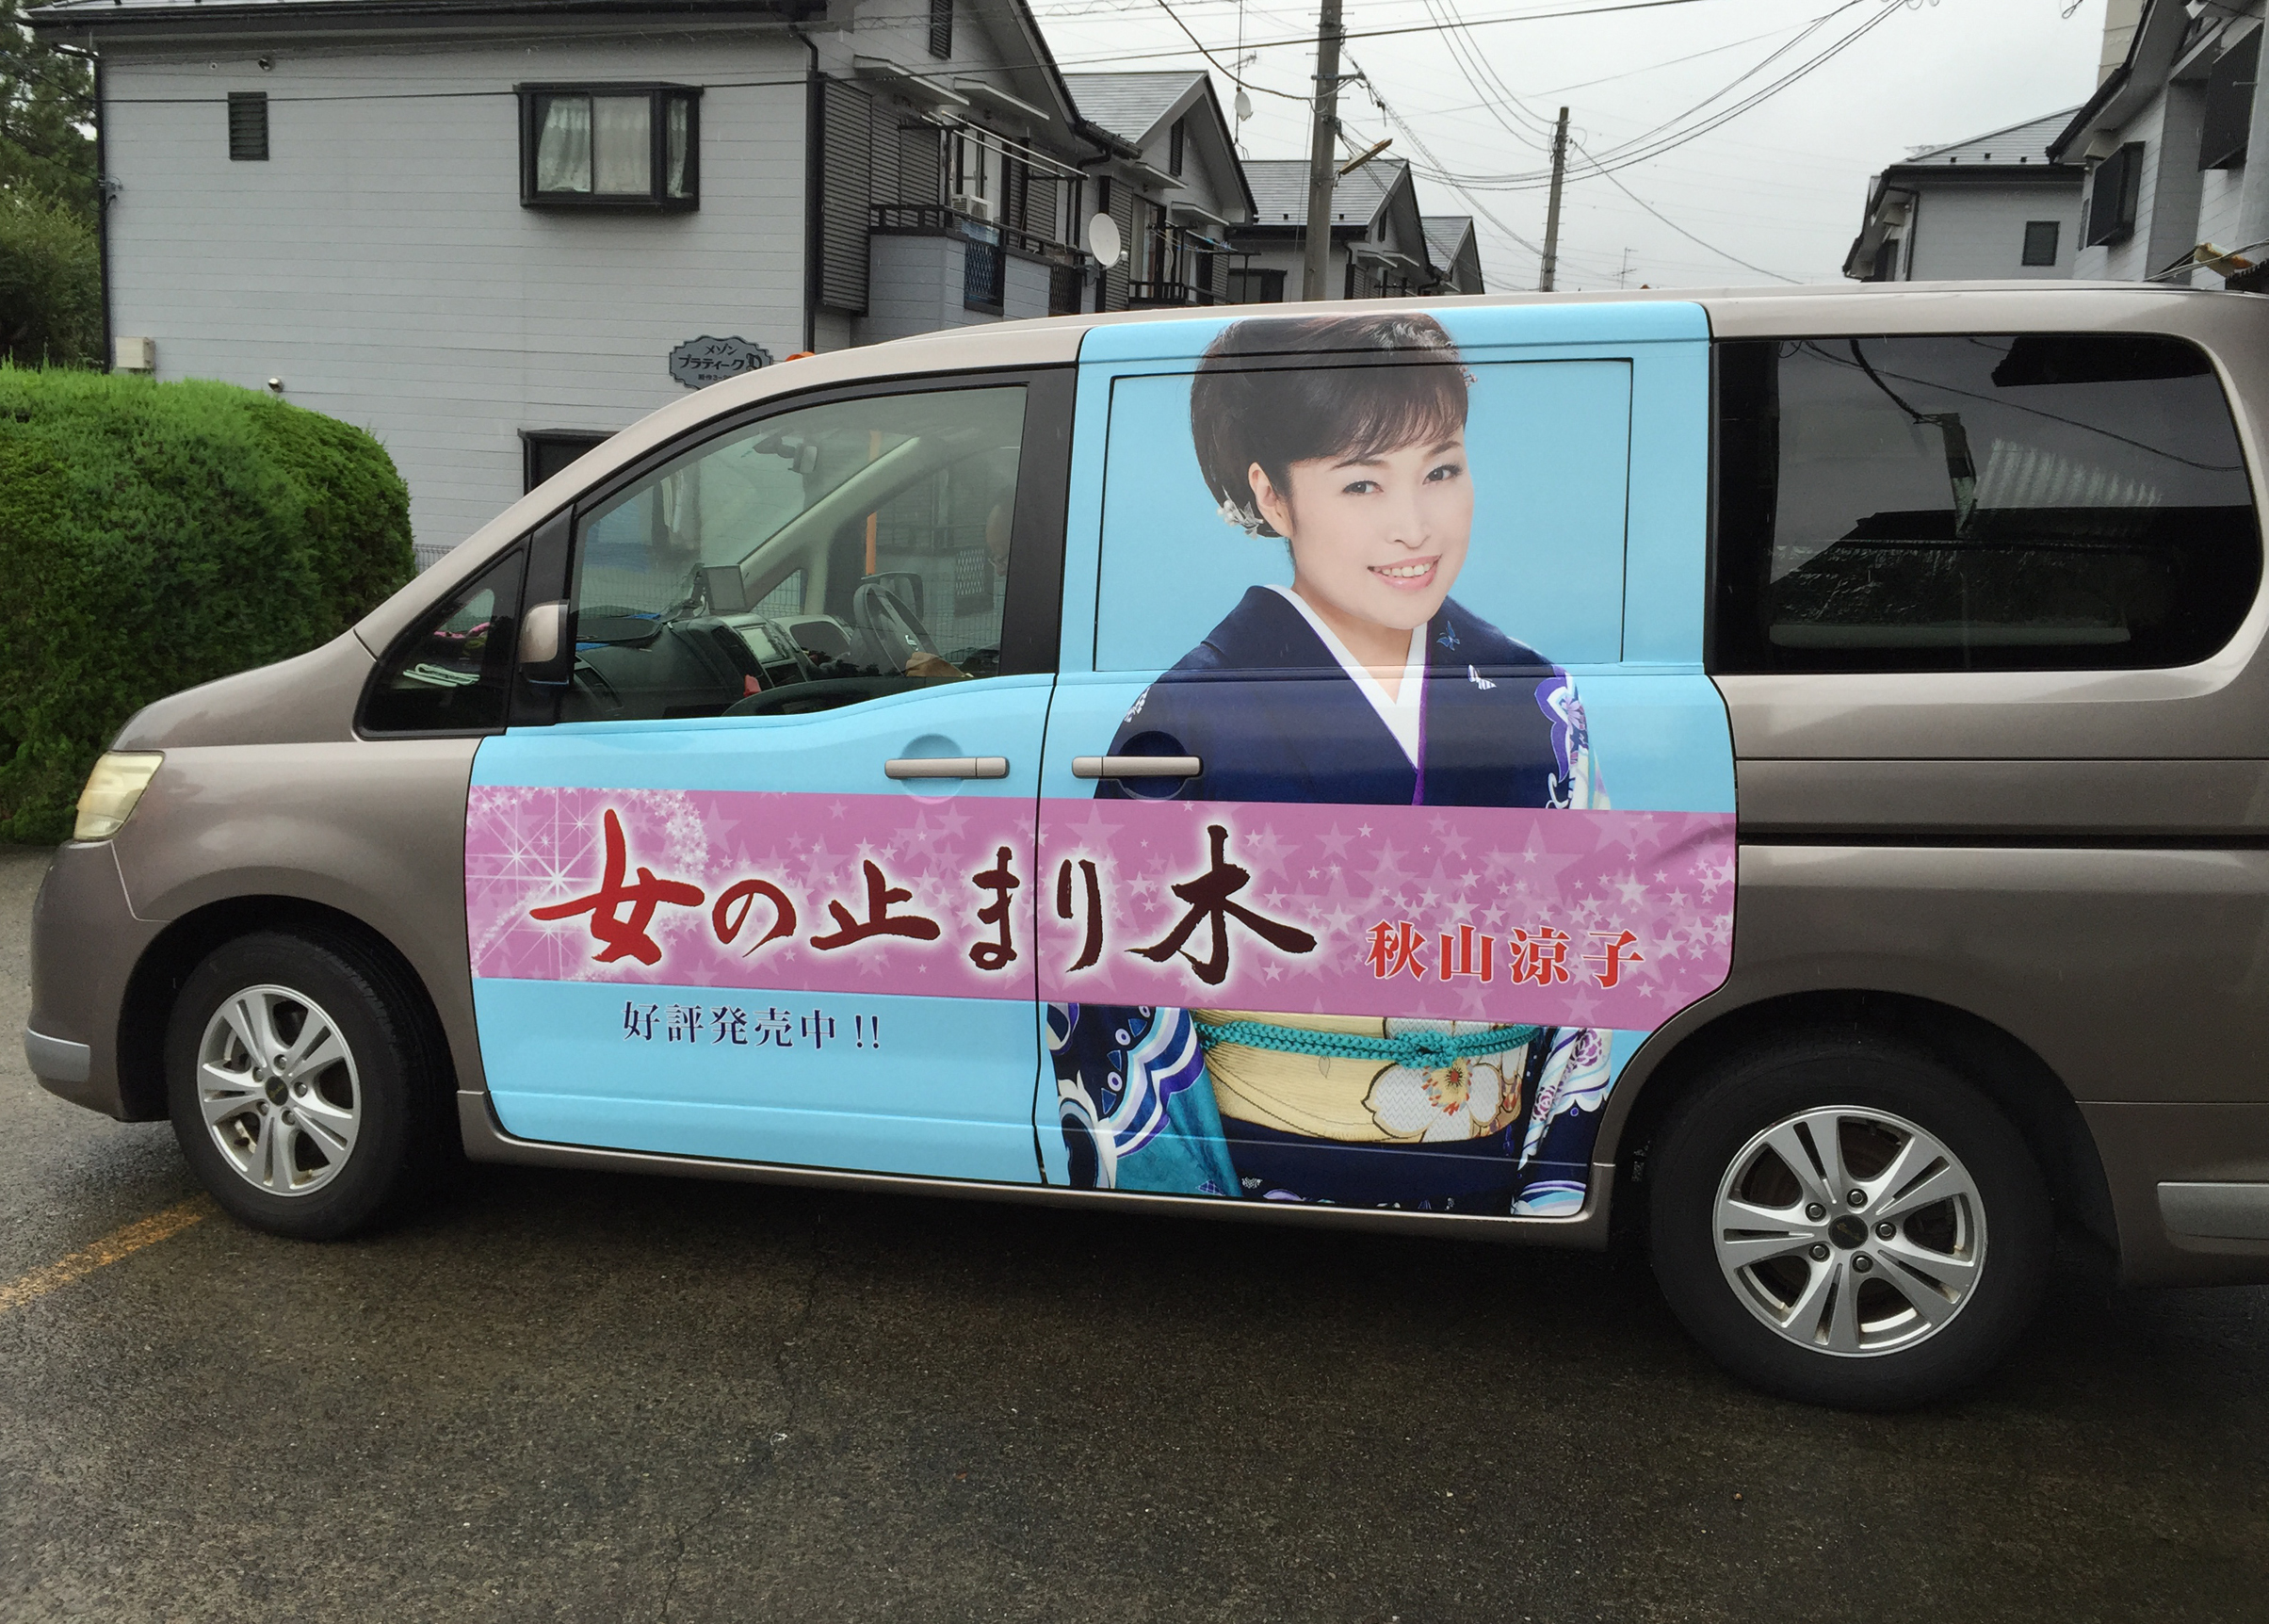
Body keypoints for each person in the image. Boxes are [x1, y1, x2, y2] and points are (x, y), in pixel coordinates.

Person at [1048, 311, 1612, 1216]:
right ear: (1273, 499)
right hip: (1266, 1179)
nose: (1413, 526)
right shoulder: (1188, 715)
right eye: (1361, 485)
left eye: (1440, 471)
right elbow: (1114, 983)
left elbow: (1589, 954)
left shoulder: (1535, 699)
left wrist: (1547, 1186)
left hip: (1492, 1171)